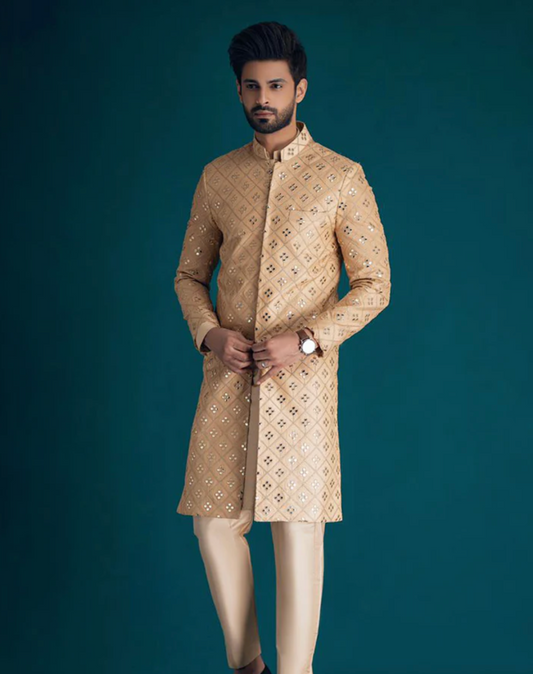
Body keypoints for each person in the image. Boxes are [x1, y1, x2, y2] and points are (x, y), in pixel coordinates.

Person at [173, 20, 392, 674]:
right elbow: (189, 275)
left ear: (300, 88)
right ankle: (248, 665)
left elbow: (375, 284)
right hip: (227, 381)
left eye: (274, 86)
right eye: (251, 87)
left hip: (301, 389)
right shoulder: (217, 177)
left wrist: (307, 340)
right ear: (238, 92)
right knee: (212, 525)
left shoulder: (340, 178)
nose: (262, 98)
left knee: (297, 534)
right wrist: (210, 333)